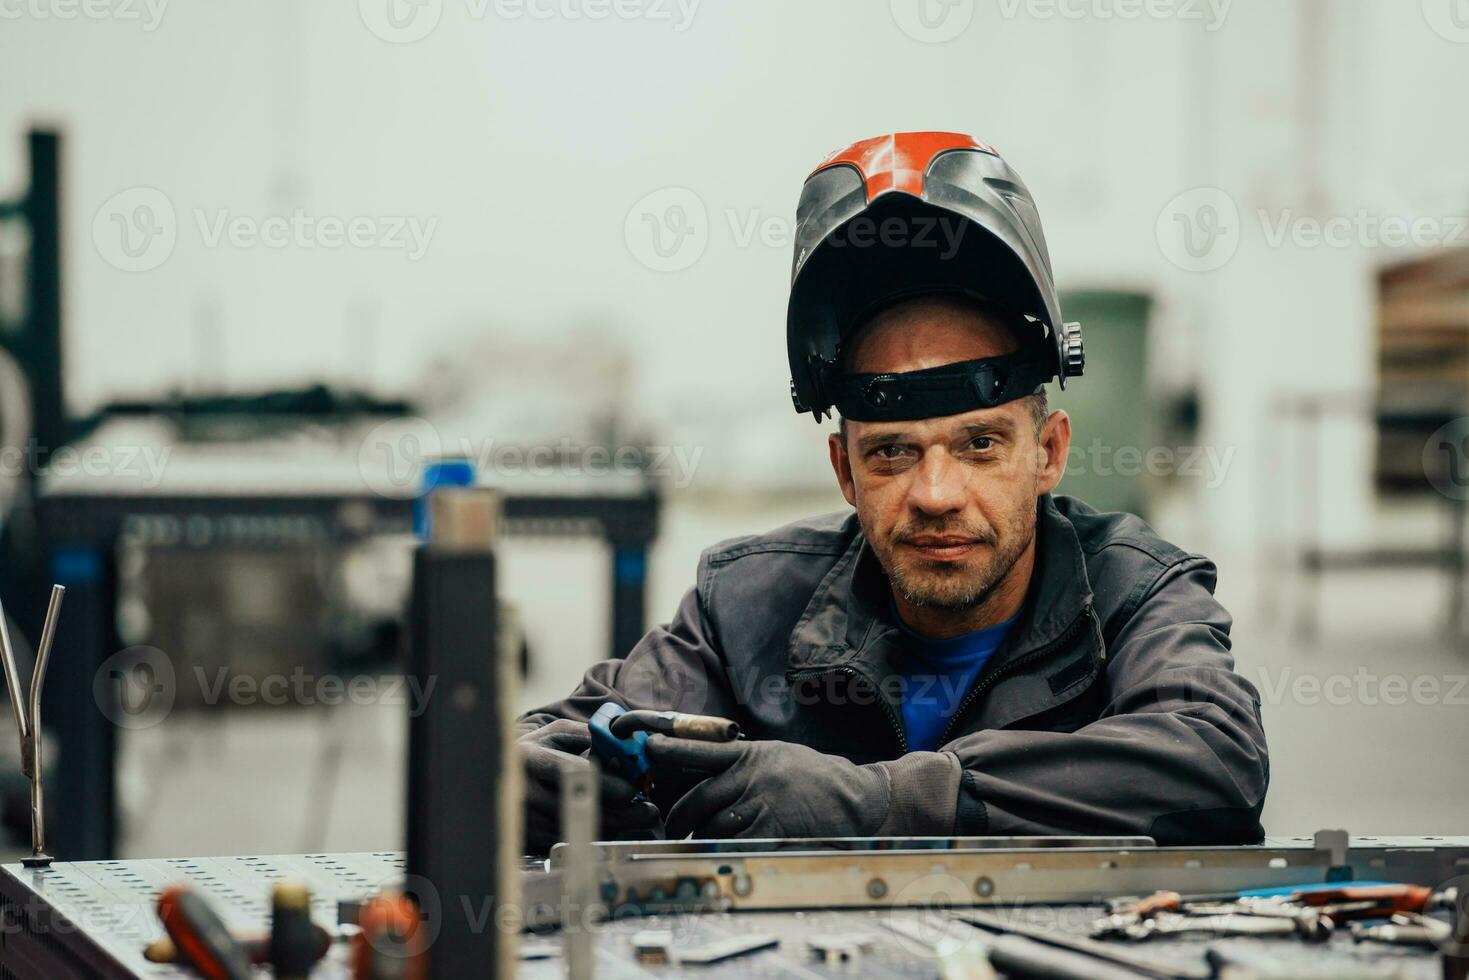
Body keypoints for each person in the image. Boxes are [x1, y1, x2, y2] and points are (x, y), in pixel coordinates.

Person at [517, 132, 1268, 851]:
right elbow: (552, 741)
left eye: (979, 445)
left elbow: (1213, 763)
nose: (936, 493)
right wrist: (548, 781)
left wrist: (882, 802)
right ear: (844, 471)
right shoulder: (747, 602)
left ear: (1047, 453)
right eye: (891, 453)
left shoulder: (1132, 592)